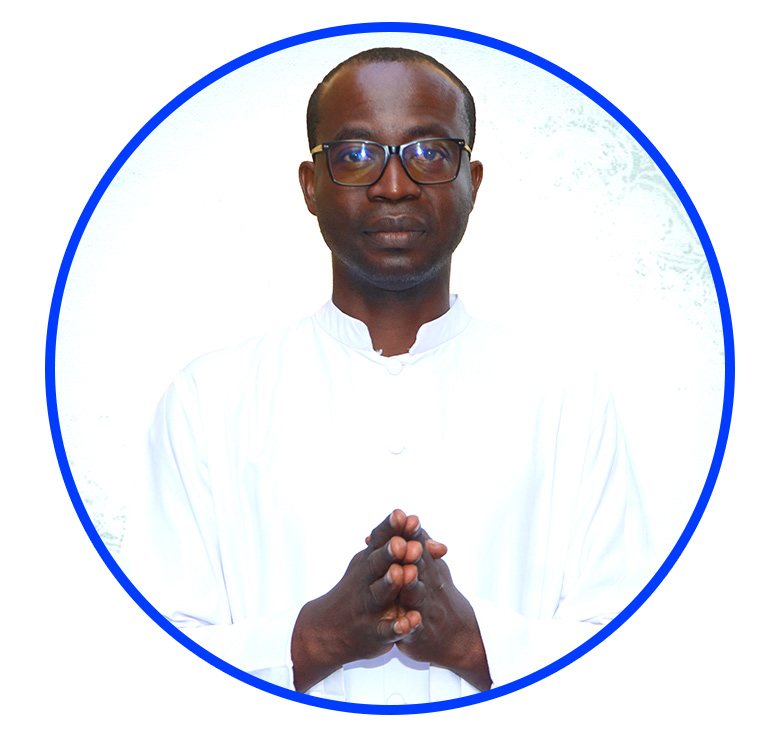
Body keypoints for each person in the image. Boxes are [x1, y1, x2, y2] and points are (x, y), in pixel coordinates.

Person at [120, 47, 654, 705]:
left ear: (473, 183)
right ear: (310, 186)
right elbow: (147, 668)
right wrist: (315, 638)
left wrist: (473, 643)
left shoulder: (568, 398)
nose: (394, 185)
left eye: (429, 152)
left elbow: (631, 660)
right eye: (355, 155)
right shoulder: (208, 401)